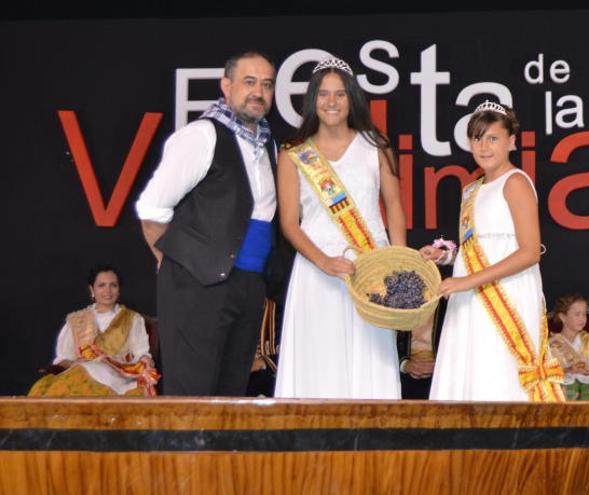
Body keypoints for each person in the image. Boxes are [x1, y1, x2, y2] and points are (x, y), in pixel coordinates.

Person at [136, 51, 278, 396]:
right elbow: (152, 209)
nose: (258, 91)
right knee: (191, 397)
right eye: (249, 82)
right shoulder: (202, 135)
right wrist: (173, 263)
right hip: (196, 285)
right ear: (226, 86)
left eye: (266, 84)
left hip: (247, 286)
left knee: (229, 396)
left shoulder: (268, 144)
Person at [273, 56, 405, 399]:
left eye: (341, 94)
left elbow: (394, 206)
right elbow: (289, 223)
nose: (331, 102)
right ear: (313, 99)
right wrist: (324, 262)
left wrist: (397, 264)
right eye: (324, 94)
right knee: (319, 358)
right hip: (318, 271)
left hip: (370, 270)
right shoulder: (294, 153)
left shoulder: (376, 145)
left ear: (353, 99)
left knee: (370, 357)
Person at [421, 101, 564, 402]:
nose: (483, 146)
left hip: (506, 294)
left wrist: (466, 282)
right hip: (470, 296)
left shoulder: (515, 183)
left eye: (493, 138)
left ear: (512, 141)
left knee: (497, 370)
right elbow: (477, 245)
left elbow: (528, 252)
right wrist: (444, 256)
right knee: (471, 369)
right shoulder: (471, 190)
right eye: (477, 138)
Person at [29, 265, 158, 397]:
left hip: (117, 377)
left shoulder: (132, 319)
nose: (108, 290)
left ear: (119, 290)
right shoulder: (76, 320)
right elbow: (62, 357)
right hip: (79, 372)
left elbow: (141, 355)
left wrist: (144, 362)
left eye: (113, 285)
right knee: (45, 390)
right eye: (101, 285)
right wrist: (79, 364)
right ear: (92, 289)